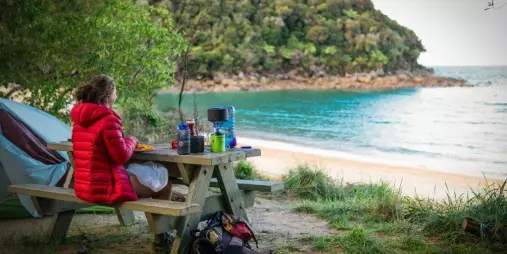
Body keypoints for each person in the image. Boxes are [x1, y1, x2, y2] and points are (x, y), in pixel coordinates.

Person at [70, 74, 176, 251]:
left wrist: (121, 139)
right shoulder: (107, 119)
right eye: (116, 91)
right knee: (165, 187)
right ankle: (161, 239)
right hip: (106, 187)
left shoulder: (79, 121)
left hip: (84, 186)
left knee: (146, 175)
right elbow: (121, 156)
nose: (116, 95)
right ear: (109, 94)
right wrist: (132, 140)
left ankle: (161, 235)